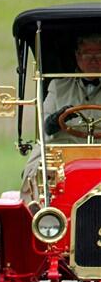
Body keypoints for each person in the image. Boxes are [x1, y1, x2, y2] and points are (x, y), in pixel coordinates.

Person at [21, 34, 101, 202]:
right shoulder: (58, 86)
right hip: (63, 150)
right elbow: (45, 127)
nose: (94, 60)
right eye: (87, 54)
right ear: (78, 57)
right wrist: (56, 119)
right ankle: (39, 216)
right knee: (35, 166)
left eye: (99, 54)